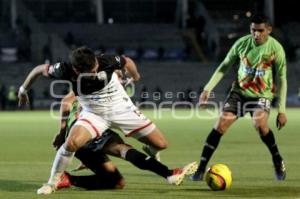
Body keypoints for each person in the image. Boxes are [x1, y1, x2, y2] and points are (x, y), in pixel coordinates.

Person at [18, 46, 193, 194]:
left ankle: (153, 152)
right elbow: (39, 70)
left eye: (96, 66)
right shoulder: (65, 70)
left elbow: (128, 61)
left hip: (122, 110)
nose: (97, 70)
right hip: (94, 114)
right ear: (77, 70)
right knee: (71, 143)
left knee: (161, 144)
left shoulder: (107, 62)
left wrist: (136, 75)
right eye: (92, 70)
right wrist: (22, 90)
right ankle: (52, 182)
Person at [190, 14, 287, 181]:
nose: (256, 34)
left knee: (260, 124)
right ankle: (201, 168)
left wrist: (282, 110)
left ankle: (277, 160)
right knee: (220, 125)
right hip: (239, 93)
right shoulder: (242, 43)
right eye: (253, 30)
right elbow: (225, 66)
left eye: (260, 31)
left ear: (269, 30)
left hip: (262, 95)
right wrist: (207, 89)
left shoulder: (276, 49)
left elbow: (282, 79)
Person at [53, 92, 197, 191]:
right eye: (119, 74)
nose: (121, 77)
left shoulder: (109, 89)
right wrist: (61, 133)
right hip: (82, 130)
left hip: (93, 131)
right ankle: (169, 173)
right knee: (122, 149)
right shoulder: (88, 83)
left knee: (115, 182)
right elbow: (66, 101)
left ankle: (68, 179)